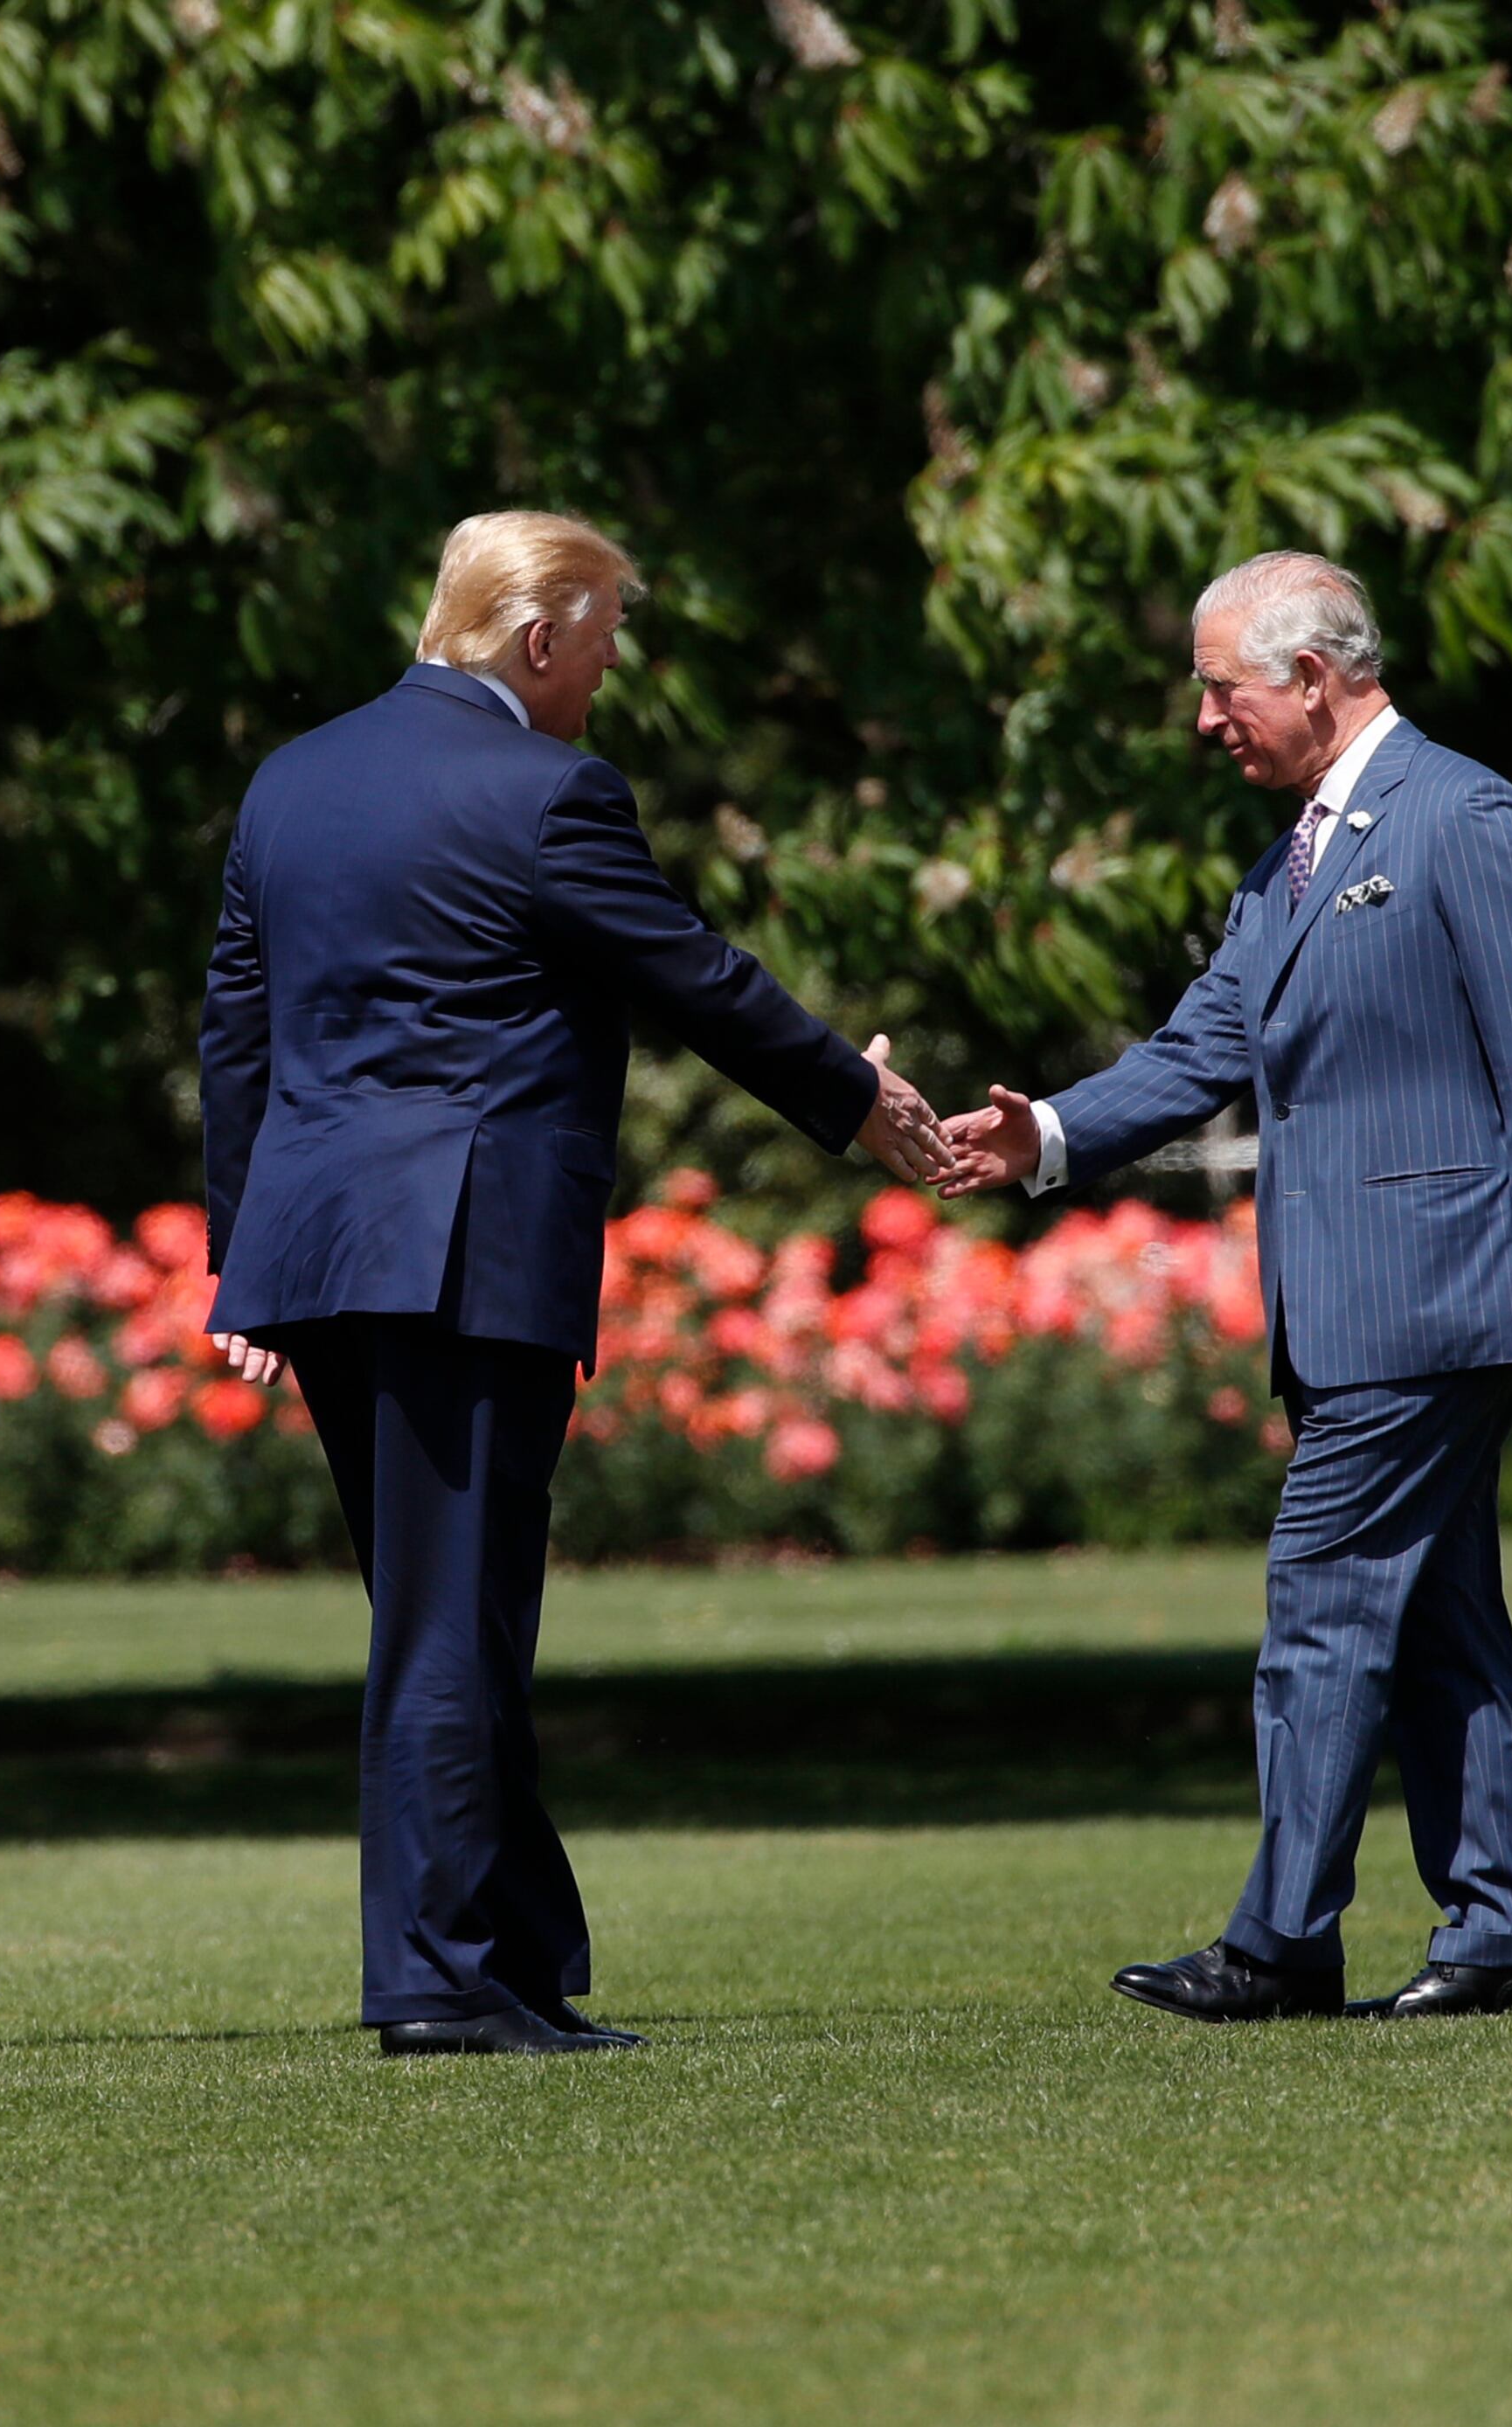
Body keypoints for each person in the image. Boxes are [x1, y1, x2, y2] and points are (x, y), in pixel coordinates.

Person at [198, 510, 952, 2056]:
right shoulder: (550, 794)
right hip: (465, 1258)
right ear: (537, 635)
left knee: (447, 1609)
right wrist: (858, 1103)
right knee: (452, 1623)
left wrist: (241, 1258)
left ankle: (518, 1953)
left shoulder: (295, 778)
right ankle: (439, 1981)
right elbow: (692, 973)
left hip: (327, 1257)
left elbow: (236, 1026)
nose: (614, 669)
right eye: (607, 636)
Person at [942, 550, 1512, 2022]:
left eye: (1219, 684)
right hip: (1358, 1310)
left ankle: (1282, 1942)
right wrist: (1041, 1135)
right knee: (1438, 1615)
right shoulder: (1293, 858)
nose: (1201, 717)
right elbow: (1198, 1053)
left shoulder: (1466, 816)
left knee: (1323, 1594)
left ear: (1312, 677)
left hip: (1433, 1298)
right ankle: (1507, 1932)